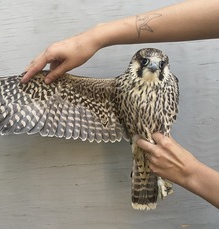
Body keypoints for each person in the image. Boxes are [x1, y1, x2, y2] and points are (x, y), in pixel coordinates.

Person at [22, 0, 219, 209]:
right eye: (145, 62)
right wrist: (95, 36)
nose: (153, 66)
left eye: (159, 65)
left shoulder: (170, 84)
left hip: (173, 159)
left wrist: (190, 173)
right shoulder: (116, 88)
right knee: (42, 82)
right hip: (143, 144)